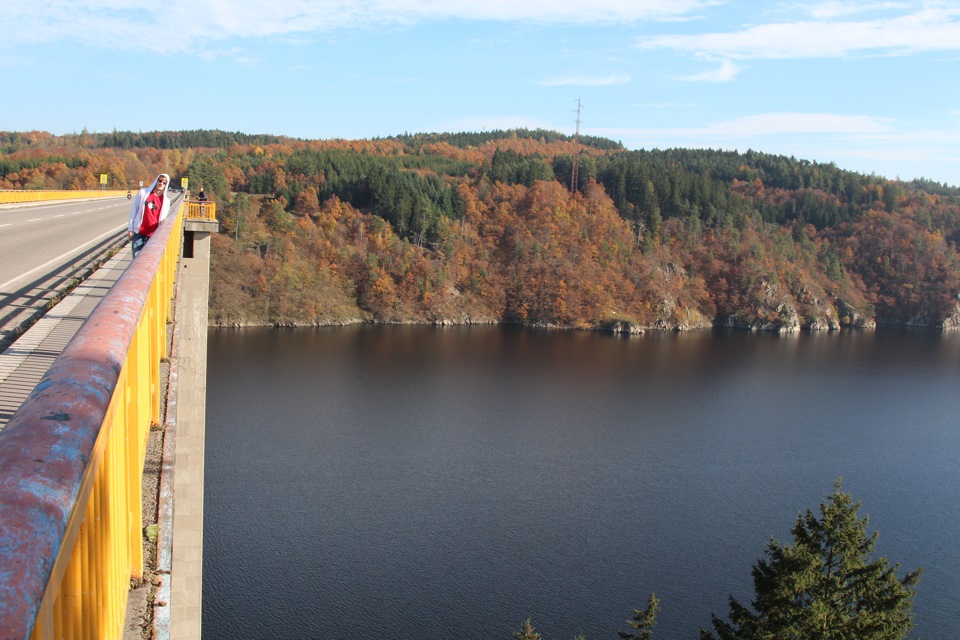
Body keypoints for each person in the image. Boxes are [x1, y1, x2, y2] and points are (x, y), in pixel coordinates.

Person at [128, 173, 171, 257]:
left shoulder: (166, 201)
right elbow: (134, 210)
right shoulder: (143, 193)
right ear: (156, 180)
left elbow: (163, 220)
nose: (161, 183)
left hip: (153, 236)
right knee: (136, 261)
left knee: (148, 260)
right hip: (139, 233)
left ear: (166, 185)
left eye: (164, 182)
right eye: (160, 180)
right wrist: (130, 228)